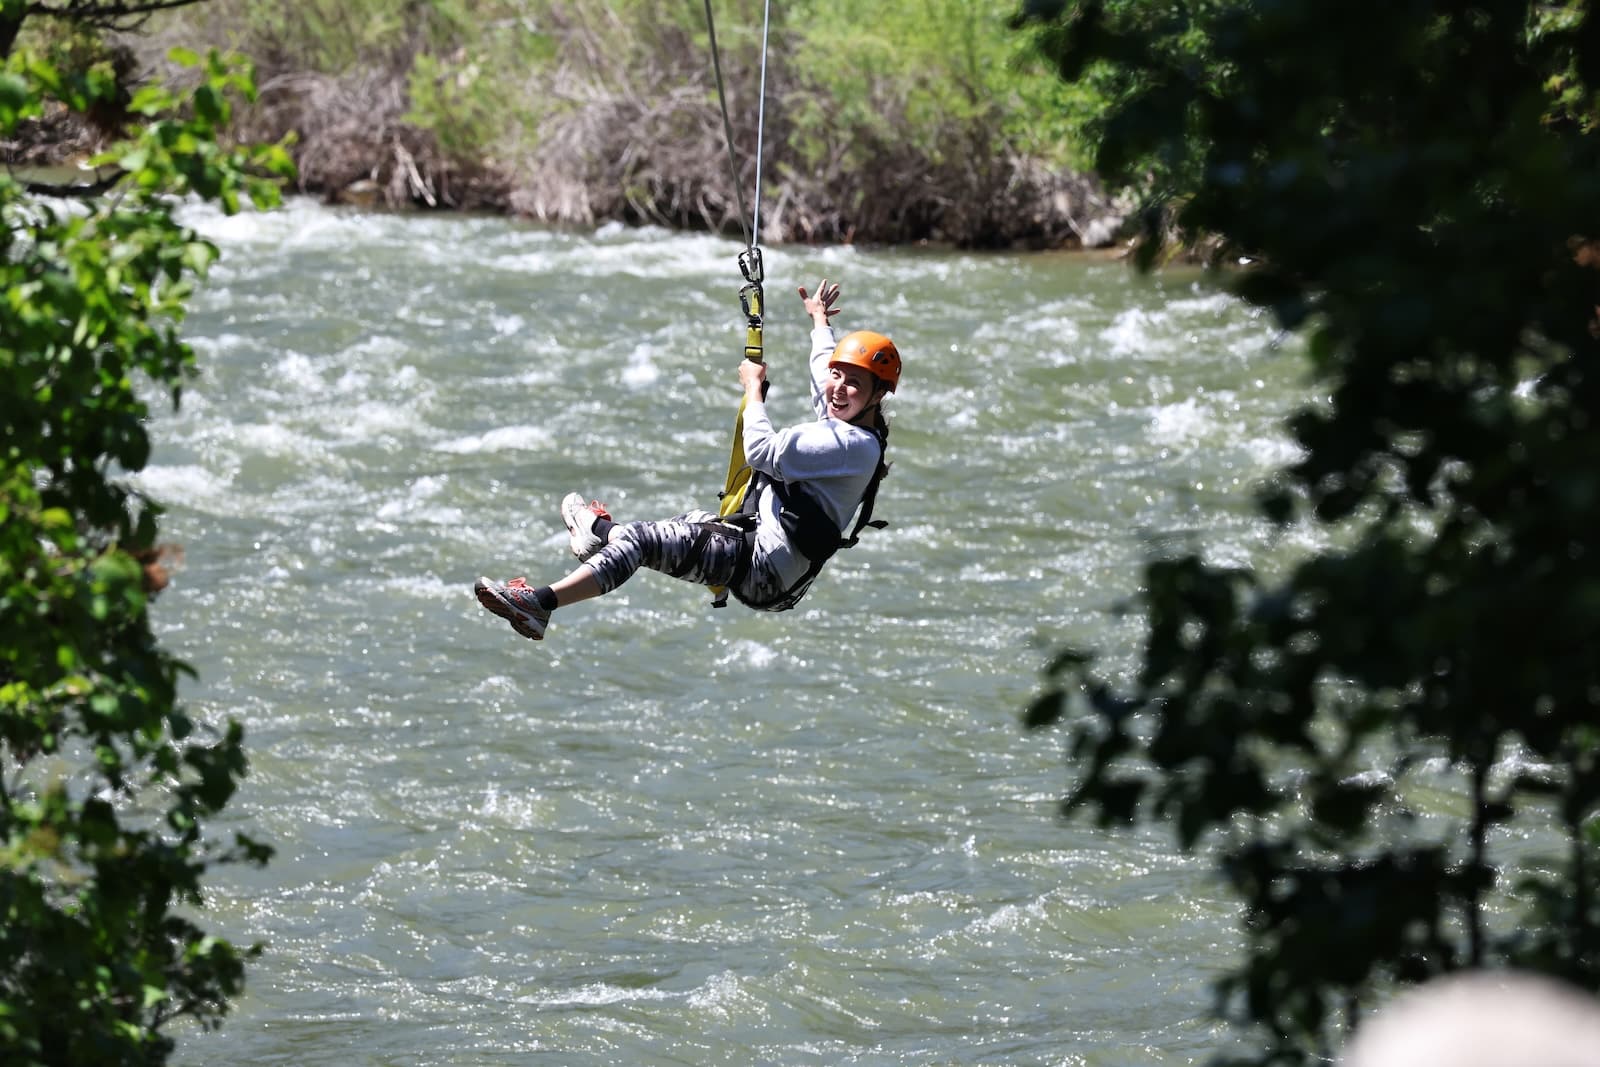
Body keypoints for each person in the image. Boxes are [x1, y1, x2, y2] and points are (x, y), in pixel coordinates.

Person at [474, 277, 900, 642]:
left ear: (878, 395)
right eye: (839, 377)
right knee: (665, 531)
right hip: (766, 556)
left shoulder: (851, 445)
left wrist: (753, 390)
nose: (839, 389)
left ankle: (539, 604)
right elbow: (824, 372)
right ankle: (599, 533)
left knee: (641, 543)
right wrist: (820, 321)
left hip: (762, 565)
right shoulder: (857, 423)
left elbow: (762, 452)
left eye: (855, 384)